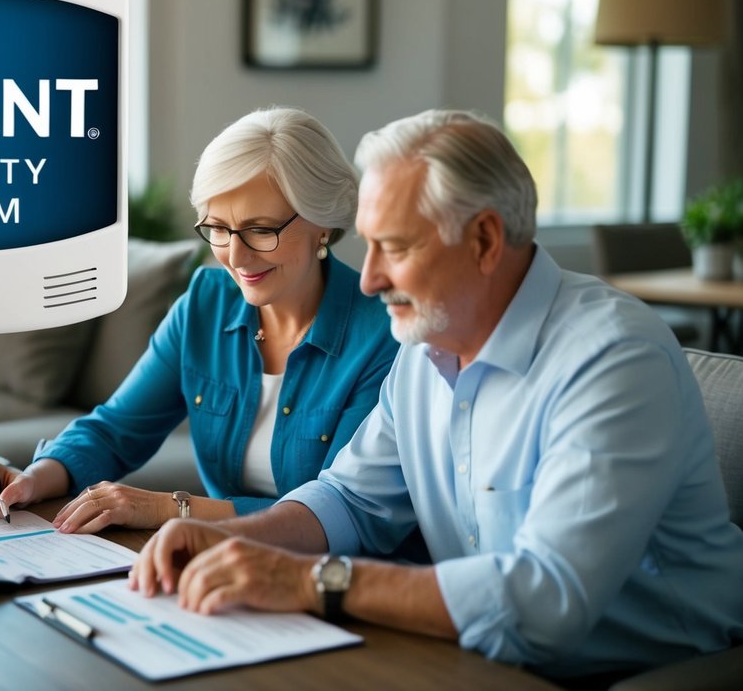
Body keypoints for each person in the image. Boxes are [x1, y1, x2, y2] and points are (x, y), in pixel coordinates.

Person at [130, 109, 743, 682]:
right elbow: (349, 500)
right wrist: (237, 537)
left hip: (655, 672)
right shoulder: (426, 347)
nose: (368, 278)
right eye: (368, 245)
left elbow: (548, 598)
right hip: (483, 658)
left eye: (394, 248)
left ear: (483, 240)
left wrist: (309, 580)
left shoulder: (613, 358)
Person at [0, 107, 399, 533]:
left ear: (322, 221)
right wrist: (33, 479)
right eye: (218, 228)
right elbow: (116, 429)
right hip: (214, 564)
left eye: (261, 229)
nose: (236, 255)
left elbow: (338, 513)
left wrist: (170, 508)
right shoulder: (204, 305)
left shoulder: (384, 335)